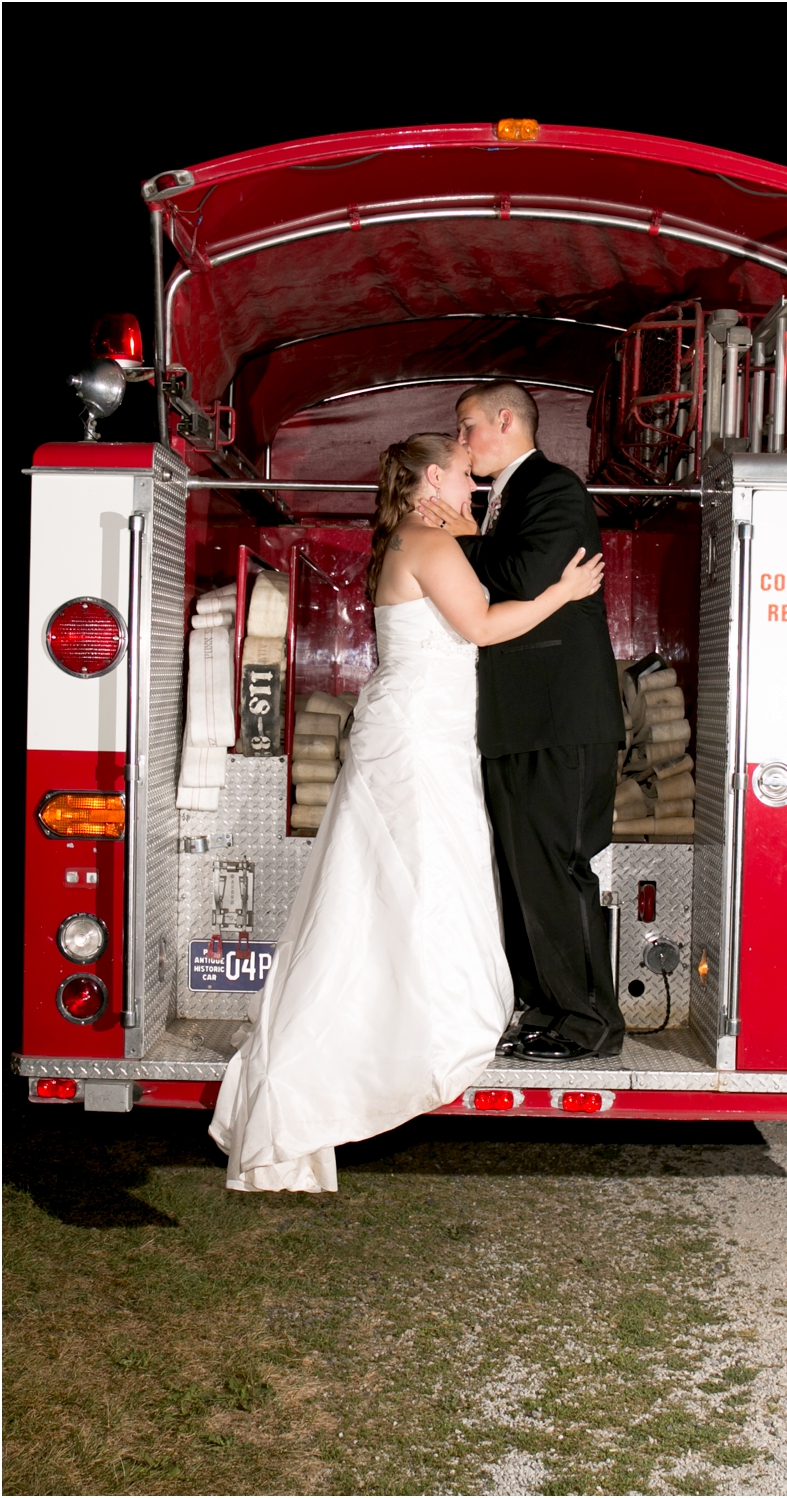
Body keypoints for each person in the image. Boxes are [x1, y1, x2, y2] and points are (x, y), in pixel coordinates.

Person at [209, 432, 604, 1191]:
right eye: (462, 474)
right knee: (416, 879)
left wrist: (465, 523)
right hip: (420, 736)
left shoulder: (418, 534)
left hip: (427, 728)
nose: (473, 487)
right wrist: (562, 593)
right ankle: (400, 1035)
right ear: (433, 477)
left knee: (403, 882)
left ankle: (407, 1018)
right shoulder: (426, 540)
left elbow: (466, 554)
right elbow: (484, 628)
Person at [417, 382, 626, 1062]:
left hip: (561, 721)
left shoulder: (554, 489)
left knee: (558, 870)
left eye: (467, 425)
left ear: (503, 421)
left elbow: (522, 576)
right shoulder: (510, 496)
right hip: (517, 724)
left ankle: (589, 1021)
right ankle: (541, 1005)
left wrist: (458, 536)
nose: (462, 437)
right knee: (522, 874)